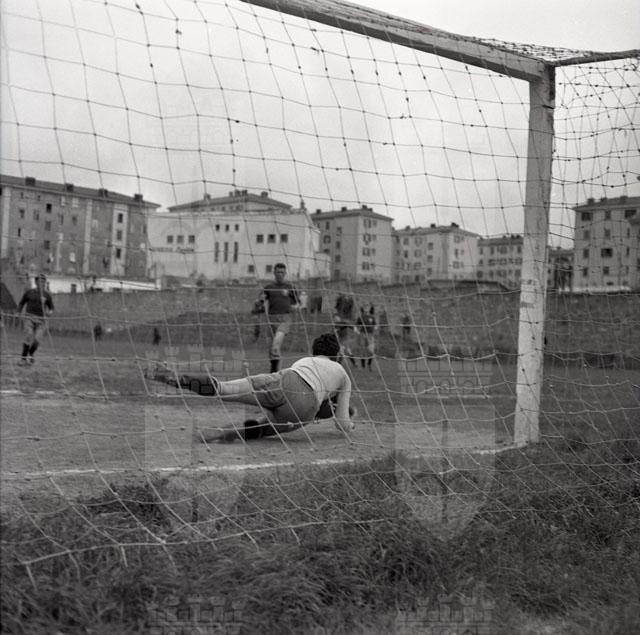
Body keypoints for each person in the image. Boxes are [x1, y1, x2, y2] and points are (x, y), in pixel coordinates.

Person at [147, 333, 356, 443]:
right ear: (338, 355)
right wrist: (349, 422)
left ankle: (175, 377)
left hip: (287, 380)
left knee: (224, 388)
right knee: (261, 428)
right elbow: (342, 424)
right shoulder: (342, 374)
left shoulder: (305, 360)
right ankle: (220, 434)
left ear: (315, 350)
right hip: (305, 408)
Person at [260, 263, 299, 372]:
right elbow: (262, 301)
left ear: (285, 273)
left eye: (282, 272)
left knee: (276, 344)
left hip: (285, 319)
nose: (280, 274)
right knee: (271, 350)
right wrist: (261, 303)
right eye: (278, 272)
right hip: (271, 319)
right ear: (274, 273)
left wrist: (294, 307)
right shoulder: (268, 287)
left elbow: (298, 303)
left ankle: (273, 373)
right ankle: (277, 371)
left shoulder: (290, 287)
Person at [17, 273, 54, 365]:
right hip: (29, 317)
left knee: (37, 340)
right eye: (40, 281)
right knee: (28, 336)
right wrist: (18, 312)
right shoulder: (29, 292)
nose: (42, 283)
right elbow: (21, 303)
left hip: (41, 320)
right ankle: (23, 359)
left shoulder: (47, 295)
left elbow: (51, 308)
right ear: (36, 282)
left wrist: (49, 313)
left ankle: (31, 353)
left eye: (44, 281)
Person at [356, 304, 377, 369]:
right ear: (363, 308)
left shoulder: (372, 317)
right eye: (365, 307)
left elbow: (375, 325)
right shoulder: (361, 317)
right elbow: (356, 325)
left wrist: (375, 329)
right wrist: (358, 331)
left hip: (370, 335)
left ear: (369, 308)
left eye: (367, 307)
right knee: (363, 350)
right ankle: (363, 366)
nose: (366, 308)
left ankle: (369, 364)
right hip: (363, 334)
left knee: (371, 351)